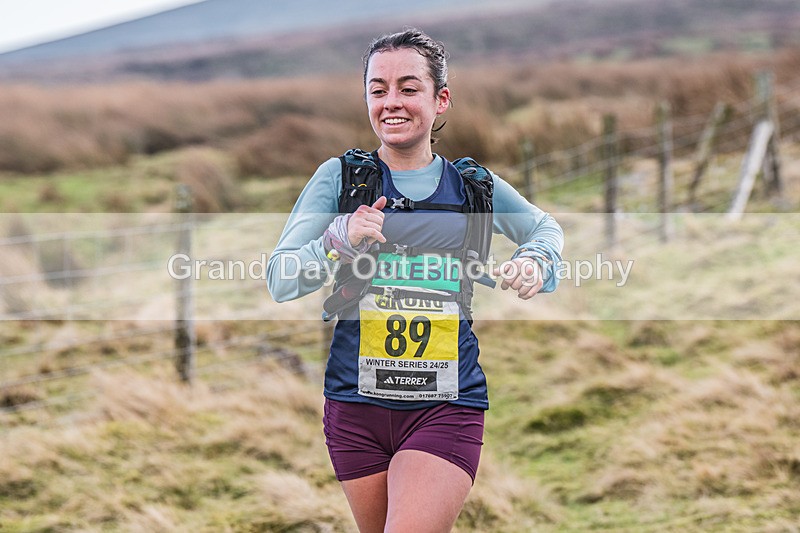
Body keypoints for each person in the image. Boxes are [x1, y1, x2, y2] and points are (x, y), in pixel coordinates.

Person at [267, 28, 563, 533]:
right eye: (378, 90)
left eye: (408, 88)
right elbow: (281, 279)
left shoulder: (473, 187)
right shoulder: (341, 180)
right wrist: (336, 239)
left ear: (440, 98)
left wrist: (535, 258)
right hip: (355, 408)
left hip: (445, 403)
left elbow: (544, 227)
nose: (391, 103)